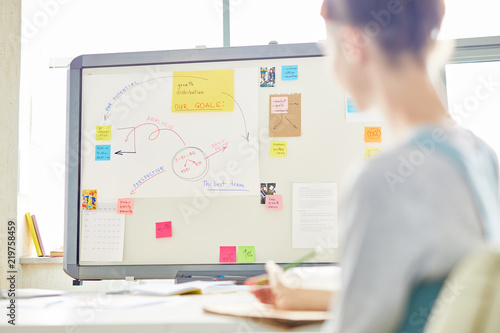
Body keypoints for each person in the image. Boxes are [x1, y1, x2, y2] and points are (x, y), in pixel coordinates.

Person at [246, 1, 500, 332]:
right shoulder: (481, 156)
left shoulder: (386, 181)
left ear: (353, 45)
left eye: (329, 50)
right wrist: (301, 296)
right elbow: (430, 297)